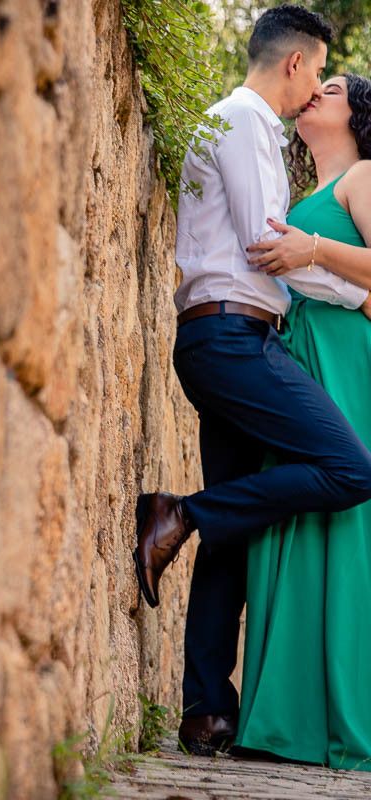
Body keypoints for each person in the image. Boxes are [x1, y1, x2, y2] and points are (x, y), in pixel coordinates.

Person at [131, 5, 371, 756]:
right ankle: (182, 513)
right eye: (318, 77)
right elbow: (267, 245)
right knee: (347, 468)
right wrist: (325, 268)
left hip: (241, 336)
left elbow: (288, 250)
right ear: (296, 64)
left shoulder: (259, 131)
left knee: (240, 529)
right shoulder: (241, 121)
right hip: (233, 337)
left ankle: (207, 710)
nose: (314, 95)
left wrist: (330, 275)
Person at [234, 73, 371, 770]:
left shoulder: (364, 176)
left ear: (360, 115)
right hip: (303, 360)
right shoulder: (302, 196)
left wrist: (312, 251)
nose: (317, 89)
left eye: (337, 87)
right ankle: (287, 718)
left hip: (350, 366)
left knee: (345, 518)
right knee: (292, 517)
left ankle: (343, 719)